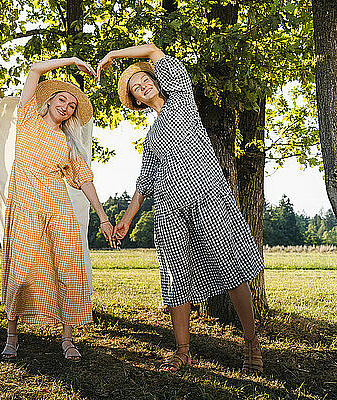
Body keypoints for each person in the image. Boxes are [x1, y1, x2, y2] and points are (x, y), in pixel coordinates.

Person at [96, 44, 264, 374]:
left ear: (156, 81)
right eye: (135, 88)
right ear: (136, 101)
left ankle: (251, 343)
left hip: (209, 199)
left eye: (144, 79)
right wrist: (126, 219)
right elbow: (145, 180)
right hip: (171, 210)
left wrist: (115, 56)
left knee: (231, 269)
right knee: (175, 280)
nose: (142, 85)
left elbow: (154, 49)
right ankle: (183, 351)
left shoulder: (181, 99)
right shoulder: (152, 135)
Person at [1, 57, 115, 362]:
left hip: (58, 207)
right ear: (49, 101)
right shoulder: (27, 119)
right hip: (25, 206)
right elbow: (35, 69)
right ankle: (12, 336)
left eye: (72, 106)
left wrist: (103, 217)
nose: (66, 106)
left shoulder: (68, 142)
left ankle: (67, 339)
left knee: (67, 268)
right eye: (62, 99)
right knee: (22, 271)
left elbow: (84, 179)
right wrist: (74, 61)